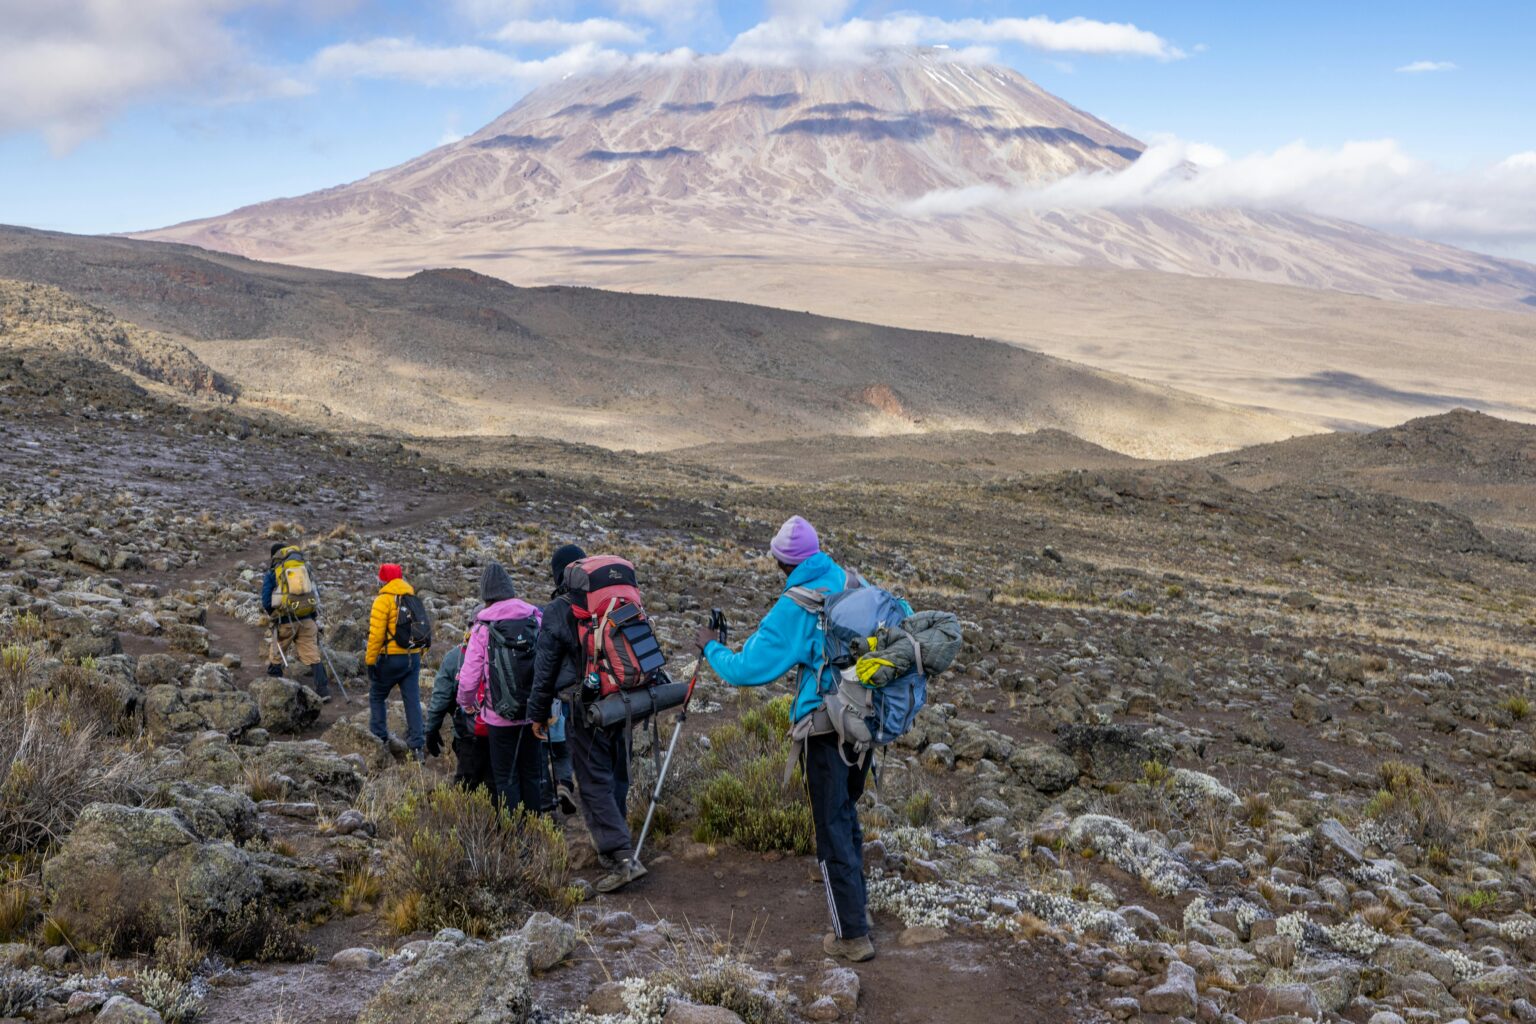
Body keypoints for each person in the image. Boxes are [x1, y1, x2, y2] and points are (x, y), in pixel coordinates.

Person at [696, 516, 876, 963]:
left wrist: (710, 648)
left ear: (783, 562)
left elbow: (746, 669)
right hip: (865, 723)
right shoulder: (851, 581)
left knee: (830, 826)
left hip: (823, 728)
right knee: (846, 816)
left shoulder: (796, 604)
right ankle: (859, 914)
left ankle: (851, 936)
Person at [528, 543, 645, 893]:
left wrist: (537, 713)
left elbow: (544, 670)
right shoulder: (609, 603)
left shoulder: (557, 612)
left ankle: (621, 856)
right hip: (625, 700)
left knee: (593, 781)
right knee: (617, 769)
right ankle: (619, 833)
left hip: (586, 708)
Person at [457, 563, 546, 814]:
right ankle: (535, 834)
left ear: (486, 595)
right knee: (531, 774)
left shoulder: (482, 628)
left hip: (498, 717)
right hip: (533, 713)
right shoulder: (535, 619)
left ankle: (513, 835)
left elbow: (468, 679)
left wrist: (467, 704)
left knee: (505, 778)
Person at [365, 563, 426, 758]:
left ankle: (379, 739)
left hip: (391, 659)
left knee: (377, 695)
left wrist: (370, 661)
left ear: (383, 580)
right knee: (412, 700)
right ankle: (417, 748)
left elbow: (375, 636)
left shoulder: (383, 600)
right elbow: (424, 630)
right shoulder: (412, 597)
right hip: (412, 657)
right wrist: (418, 655)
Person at [424, 631, 494, 792]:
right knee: (496, 783)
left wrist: (431, 729)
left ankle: (464, 814)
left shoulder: (456, 657)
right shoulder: (506, 651)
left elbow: (440, 699)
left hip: (468, 734)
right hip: (502, 732)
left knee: (467, 784)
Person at [261, 543, 331, 702]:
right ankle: (323, 690)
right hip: (307, 618)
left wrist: (274, 615)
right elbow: (315, 594)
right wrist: (312, 615)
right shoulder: (304, 568)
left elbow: (266, 601)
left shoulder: (274, 573)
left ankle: (275, 690)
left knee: (277, 654)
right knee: (313, 655)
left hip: (285, 621)